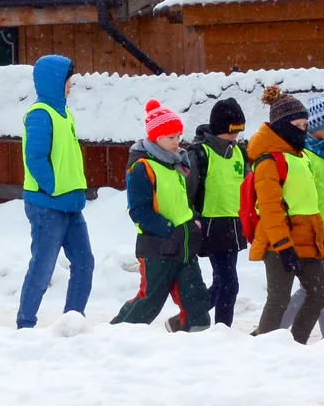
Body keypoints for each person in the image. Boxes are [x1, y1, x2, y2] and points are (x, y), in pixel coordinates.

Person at [112, 100, 210, 330]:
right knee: (150, 300)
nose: (177, 142)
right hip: (157, 245)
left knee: (195, 296)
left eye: (178, 136)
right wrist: (168, 230)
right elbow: (138, 211)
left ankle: (198, 338)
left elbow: (181, 201)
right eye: (171, 137)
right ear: (156, 138)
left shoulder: (175, 164)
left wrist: (193, 219)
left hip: (184, 241)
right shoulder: (142, 167)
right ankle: (117, 333)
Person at [15, 54, 93, 329]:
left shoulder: (65, 113)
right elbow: (35, 159)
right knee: (43, 267)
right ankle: (25, 323)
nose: (71, 85)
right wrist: (52, 189)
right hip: (47, 205)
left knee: (85, 263)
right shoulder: (39, 115)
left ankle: (73, 321)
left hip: (71, 203)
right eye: (68, 80)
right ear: (55, 81)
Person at [246, 89, 324, 341]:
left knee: (320, 293)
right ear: (282, 126)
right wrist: (283, 246)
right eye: (298, 125)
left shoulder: (300, 157)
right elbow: (270, 209)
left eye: (306, 125)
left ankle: (296, 344)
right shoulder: (268, 162)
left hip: (308, 240)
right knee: (278, 299)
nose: (303, 130)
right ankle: (264, 348)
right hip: (280, 243)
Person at [184, 98, 247, 329]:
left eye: (239, 131)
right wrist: (193, 219)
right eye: (231, 132)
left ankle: (189, 318)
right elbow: (187, 192)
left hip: (233, 225)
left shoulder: (239, 153)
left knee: (222, 282)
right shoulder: (201, 154)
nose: (235, 137)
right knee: (229, 283)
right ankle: (222, 331)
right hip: (210, 226)